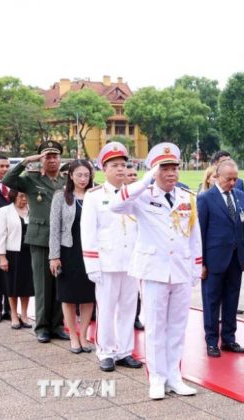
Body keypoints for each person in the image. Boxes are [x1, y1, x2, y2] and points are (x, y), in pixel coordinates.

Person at [110, 142, 202, 399]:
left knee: (177, 326)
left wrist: (196, 267)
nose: (172, 173)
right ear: (154, 171)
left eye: (174, 168)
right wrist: (146, 179)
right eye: (165, 168)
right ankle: (157, 378)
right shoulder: (142, 195)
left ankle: (174, 376)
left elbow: (195, 236)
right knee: (155, 326)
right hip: (154, 270)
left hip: (181, 269)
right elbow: (115, 205)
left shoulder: (187, 198)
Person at [81, 142, 143, 371]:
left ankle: (125, 350)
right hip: (106, 262)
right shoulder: (95, 196)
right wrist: (92, 265)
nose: (120, 170)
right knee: (106, 309)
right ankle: (106, 352)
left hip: (131, 261)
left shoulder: (135, 194)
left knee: (128, 308)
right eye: (114, 165)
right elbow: (88, 232)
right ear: (104, 169)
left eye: (123, 165)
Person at [3, 141, 68, 343]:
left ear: (60, 159)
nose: (52, 160)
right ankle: (41, 326)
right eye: (47, 156)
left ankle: (57, 325)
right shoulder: (31, 180)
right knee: (42, 284)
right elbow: (8, 179)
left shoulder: (65, 181)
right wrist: (26, 161)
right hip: (41, 238)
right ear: (41, 159)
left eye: (55, 156)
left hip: (64, 239)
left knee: (60, 284)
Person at [197, 159, 244, 357]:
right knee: (211, 301)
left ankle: (229, 338)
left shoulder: (240, 197)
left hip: (236, 259)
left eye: (236, 179)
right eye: (229, 179)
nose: (233, 183)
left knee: (231, 300)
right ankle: (211, 341)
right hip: (214, 259)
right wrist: (201, 262)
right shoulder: (206, 199)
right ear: (217, 177)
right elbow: (200, 233)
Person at [49, 160, 95, 353]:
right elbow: (55, 228)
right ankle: (73, 336)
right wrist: (54, 256)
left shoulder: (95, 195)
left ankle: (84, 335)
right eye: (79, 175)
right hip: (68, 251)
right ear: (71, 176)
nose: (83, 179)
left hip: (90, 252)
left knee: (87, 296)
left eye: (86, 175)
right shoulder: (61, 196)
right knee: (68, 296)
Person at [0, 189, 34, 329]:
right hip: (12, 253)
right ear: (14, 197)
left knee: (27, 285)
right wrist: (2, 257)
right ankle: (13, 314)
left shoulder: (32, 210)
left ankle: (24, 315)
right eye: (21, 196)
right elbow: (0, 235)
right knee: (12, 285)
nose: (24, 199)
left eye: (26, 196)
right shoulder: (4, 211)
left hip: (30, 252)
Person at [124, 162, 144, 331]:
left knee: (137, 289)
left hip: (142, 249)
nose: (132, 178)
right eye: (129, 175)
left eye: (134, 175)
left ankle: (135, 316)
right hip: (123, 251)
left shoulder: (145, 195)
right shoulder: (119, 198)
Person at [0, 155, 12, 323]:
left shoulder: (13, 185)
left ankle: (10, 309)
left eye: (7, 166)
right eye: (1, 166)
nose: (5, 169)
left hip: (13, 237)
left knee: (11, 275)